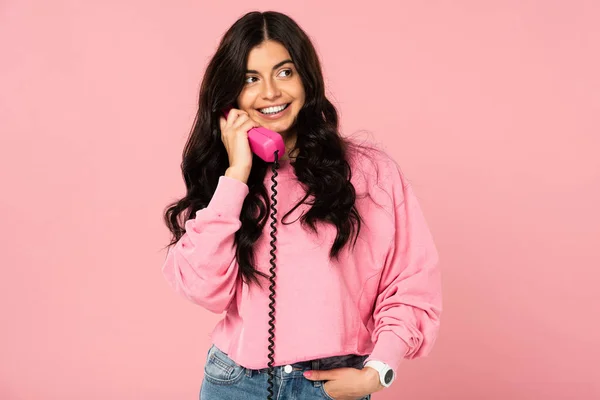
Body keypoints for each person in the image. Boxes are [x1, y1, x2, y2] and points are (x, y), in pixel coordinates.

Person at [161, 10, 442, 400]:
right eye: (250, 79)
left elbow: (410, 283)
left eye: (284, 72)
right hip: (234, 383)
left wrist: (378, 371)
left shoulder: (369, 172)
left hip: (330, 384)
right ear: (230, 97)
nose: (271, 92)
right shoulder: (227, 177)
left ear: (306, 78)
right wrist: (238, 174)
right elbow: (202, 288)